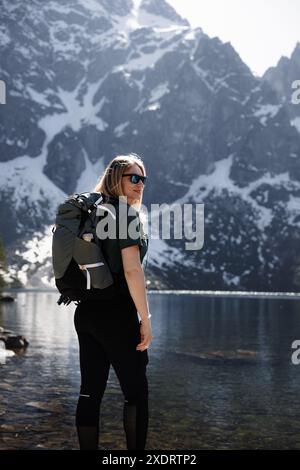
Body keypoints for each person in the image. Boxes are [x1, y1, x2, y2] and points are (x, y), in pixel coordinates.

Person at [73, 153, 153, 450]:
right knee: (136, 394)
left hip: (86, 313)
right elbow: (132, 269)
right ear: (115, 179)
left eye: (143, 178)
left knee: (89, 393)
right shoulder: (126, 214)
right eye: (134, 177)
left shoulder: (89, 213)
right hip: (116, 314)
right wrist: (146, 320)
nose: (140, 184)